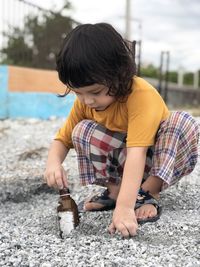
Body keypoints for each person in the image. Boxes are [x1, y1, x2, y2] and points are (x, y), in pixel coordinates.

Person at [44, 23, 199, 238]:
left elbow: (137, 153)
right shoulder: (86, 102)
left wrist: (125, 209)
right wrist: (53, 164)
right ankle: (116, 191)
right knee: (81, 130)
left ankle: (147, 193)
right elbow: (62, 139)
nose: (88, 100)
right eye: (78, 93)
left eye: (95, 91)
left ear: (118, 74)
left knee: (181, 121)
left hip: (156, 161)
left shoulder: (140, 95)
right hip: (126, 167)